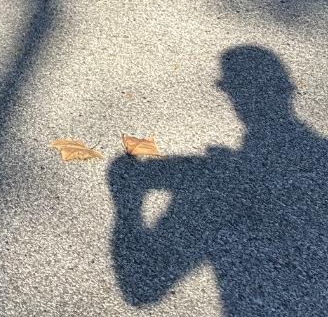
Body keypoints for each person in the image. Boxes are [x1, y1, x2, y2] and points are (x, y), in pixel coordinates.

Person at [108, 46, 328, 315]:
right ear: (287, 88)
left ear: (231, 91)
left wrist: (126, 204)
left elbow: (138, 288)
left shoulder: (223, 180)